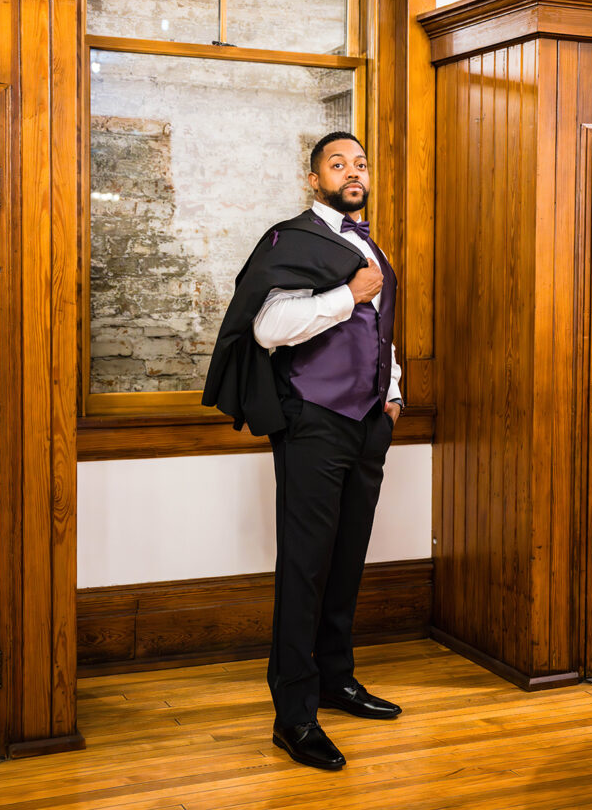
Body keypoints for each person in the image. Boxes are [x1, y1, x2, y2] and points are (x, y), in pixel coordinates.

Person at [201, 131, 404, 770]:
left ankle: (335, 678)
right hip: (314, 421)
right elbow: (268, 328)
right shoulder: (290, 240)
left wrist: (393, 393)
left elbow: (382, 328)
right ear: (313, 177)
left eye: (360, 163)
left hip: (368, 421)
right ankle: (293, 715)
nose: (352, 171)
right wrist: (350, 295)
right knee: (305, 567)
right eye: (337, 163)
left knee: (346, 559)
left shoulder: (366, 242)